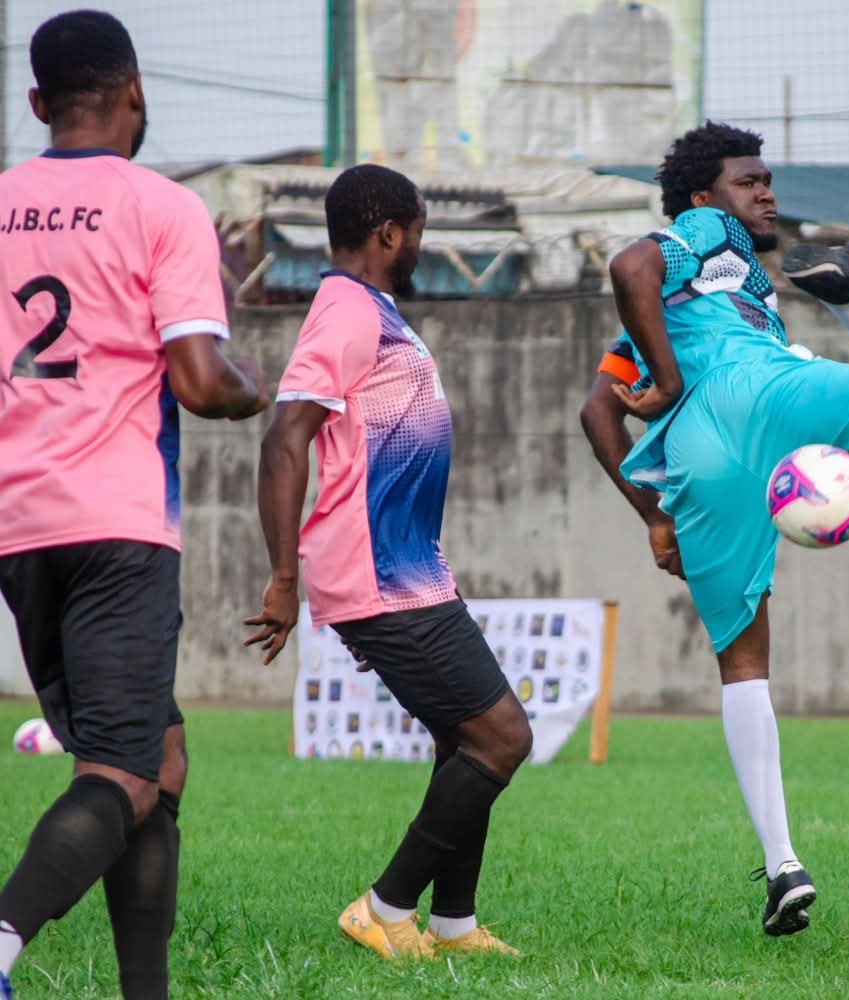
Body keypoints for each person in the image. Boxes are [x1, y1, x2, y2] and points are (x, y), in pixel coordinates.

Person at [580, 121, 849, 937]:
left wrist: (655, 517)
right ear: (701, 195)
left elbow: (596, 410)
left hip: (705, 458)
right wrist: (675, 378)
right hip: (763, 393)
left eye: (767, 182)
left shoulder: (676, 311)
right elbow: (630, 265)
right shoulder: (706, 231)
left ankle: (784, 864)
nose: (766, 194)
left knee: (744, 664)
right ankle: (847, 297)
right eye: (749, 181)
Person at [0, 11, 269, 999]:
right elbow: (199, 379)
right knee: (117, 772)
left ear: (38, 101)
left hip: (18, 527)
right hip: (116, 522)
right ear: (136, 93)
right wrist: (255, 388)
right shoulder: (161, 206)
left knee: (159, 756)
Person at [244, 163, 531, 963]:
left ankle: (453, 924)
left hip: (407, 567)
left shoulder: (371, 310)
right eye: (419, 234)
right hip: (376, 572)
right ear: (390, 234)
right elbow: (284, 438)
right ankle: (384, 907)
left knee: (463, 738)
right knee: (501, 738)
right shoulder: (346, 310)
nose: (420, 248)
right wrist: (283, 579)